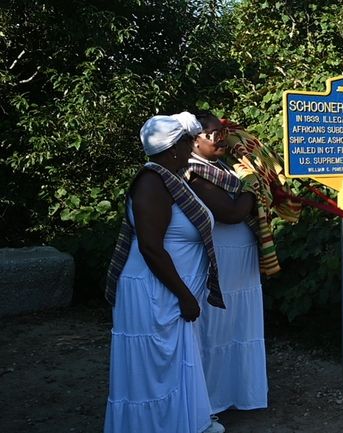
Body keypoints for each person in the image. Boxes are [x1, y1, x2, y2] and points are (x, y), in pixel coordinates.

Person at [103, 112, 225, 433]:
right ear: (173, 148)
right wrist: (184, 295)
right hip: (154, 290)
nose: (191, 148)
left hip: (166, 289)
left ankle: (183, 423)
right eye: (187, 143)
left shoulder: (168, 179)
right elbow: (151, 248)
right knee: (155, 367)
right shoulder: (151, 184)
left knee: (174, 362)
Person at [184, 111, 268, 414]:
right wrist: (252, 189)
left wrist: (252, 184)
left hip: (241, 259)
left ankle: (240, 394)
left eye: (223, 133)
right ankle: (210, 402)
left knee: (239, 325)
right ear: (193, 139)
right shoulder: (191, 171)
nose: (222, 140)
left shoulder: (223, 167)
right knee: (215, 329)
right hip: (219, 255)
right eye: (213, 134)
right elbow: (230, 212)